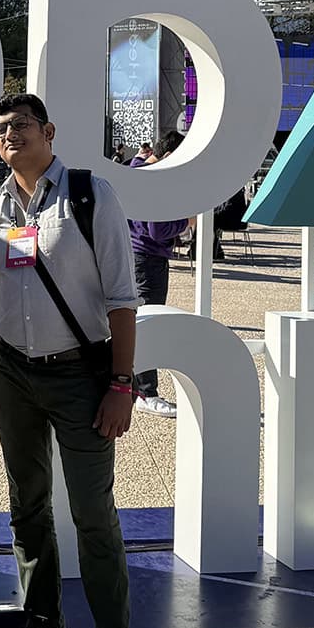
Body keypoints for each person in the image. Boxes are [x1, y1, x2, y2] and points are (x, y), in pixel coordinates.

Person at [0, 92, 161, 628]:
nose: (9, 137)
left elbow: (123, 298)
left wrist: (122, 385)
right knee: (26, 504)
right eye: (0, 131)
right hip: (11, 370)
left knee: (94, 518)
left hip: (81, 375)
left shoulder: (88, 194)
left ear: (49, 130)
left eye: (20, 126)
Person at [128, 131, 190, 418]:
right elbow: (158, 229)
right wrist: (187, 221)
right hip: (149, 257)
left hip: (130, 252)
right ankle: (146, 391)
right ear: (168, 156)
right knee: (148, 320)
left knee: (132, 319)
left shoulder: (134, 168)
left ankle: (132, 386)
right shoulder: (155, 179)